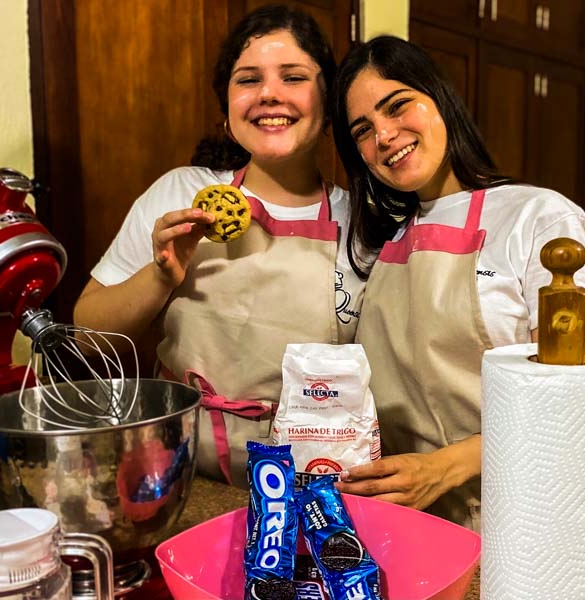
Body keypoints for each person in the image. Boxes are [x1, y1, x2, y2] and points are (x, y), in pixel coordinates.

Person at [74, 5, 368, 489]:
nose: (269, 94)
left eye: (293, 77)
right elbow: (87, 336)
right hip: (179, 470)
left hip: (310, 485)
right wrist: (161, 276)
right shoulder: (181, 194)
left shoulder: (362, 221)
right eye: (248, 79)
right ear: (227, 108)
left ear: (328, 99)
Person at [330, 35, 585, 530]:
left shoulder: (539, 219)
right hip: (405, 514)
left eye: (398, 106)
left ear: (440, 98)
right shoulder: (382, 242)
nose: (386, 136)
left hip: (518, 511)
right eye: (363, 130)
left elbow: (562, 395)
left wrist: (440, 469)